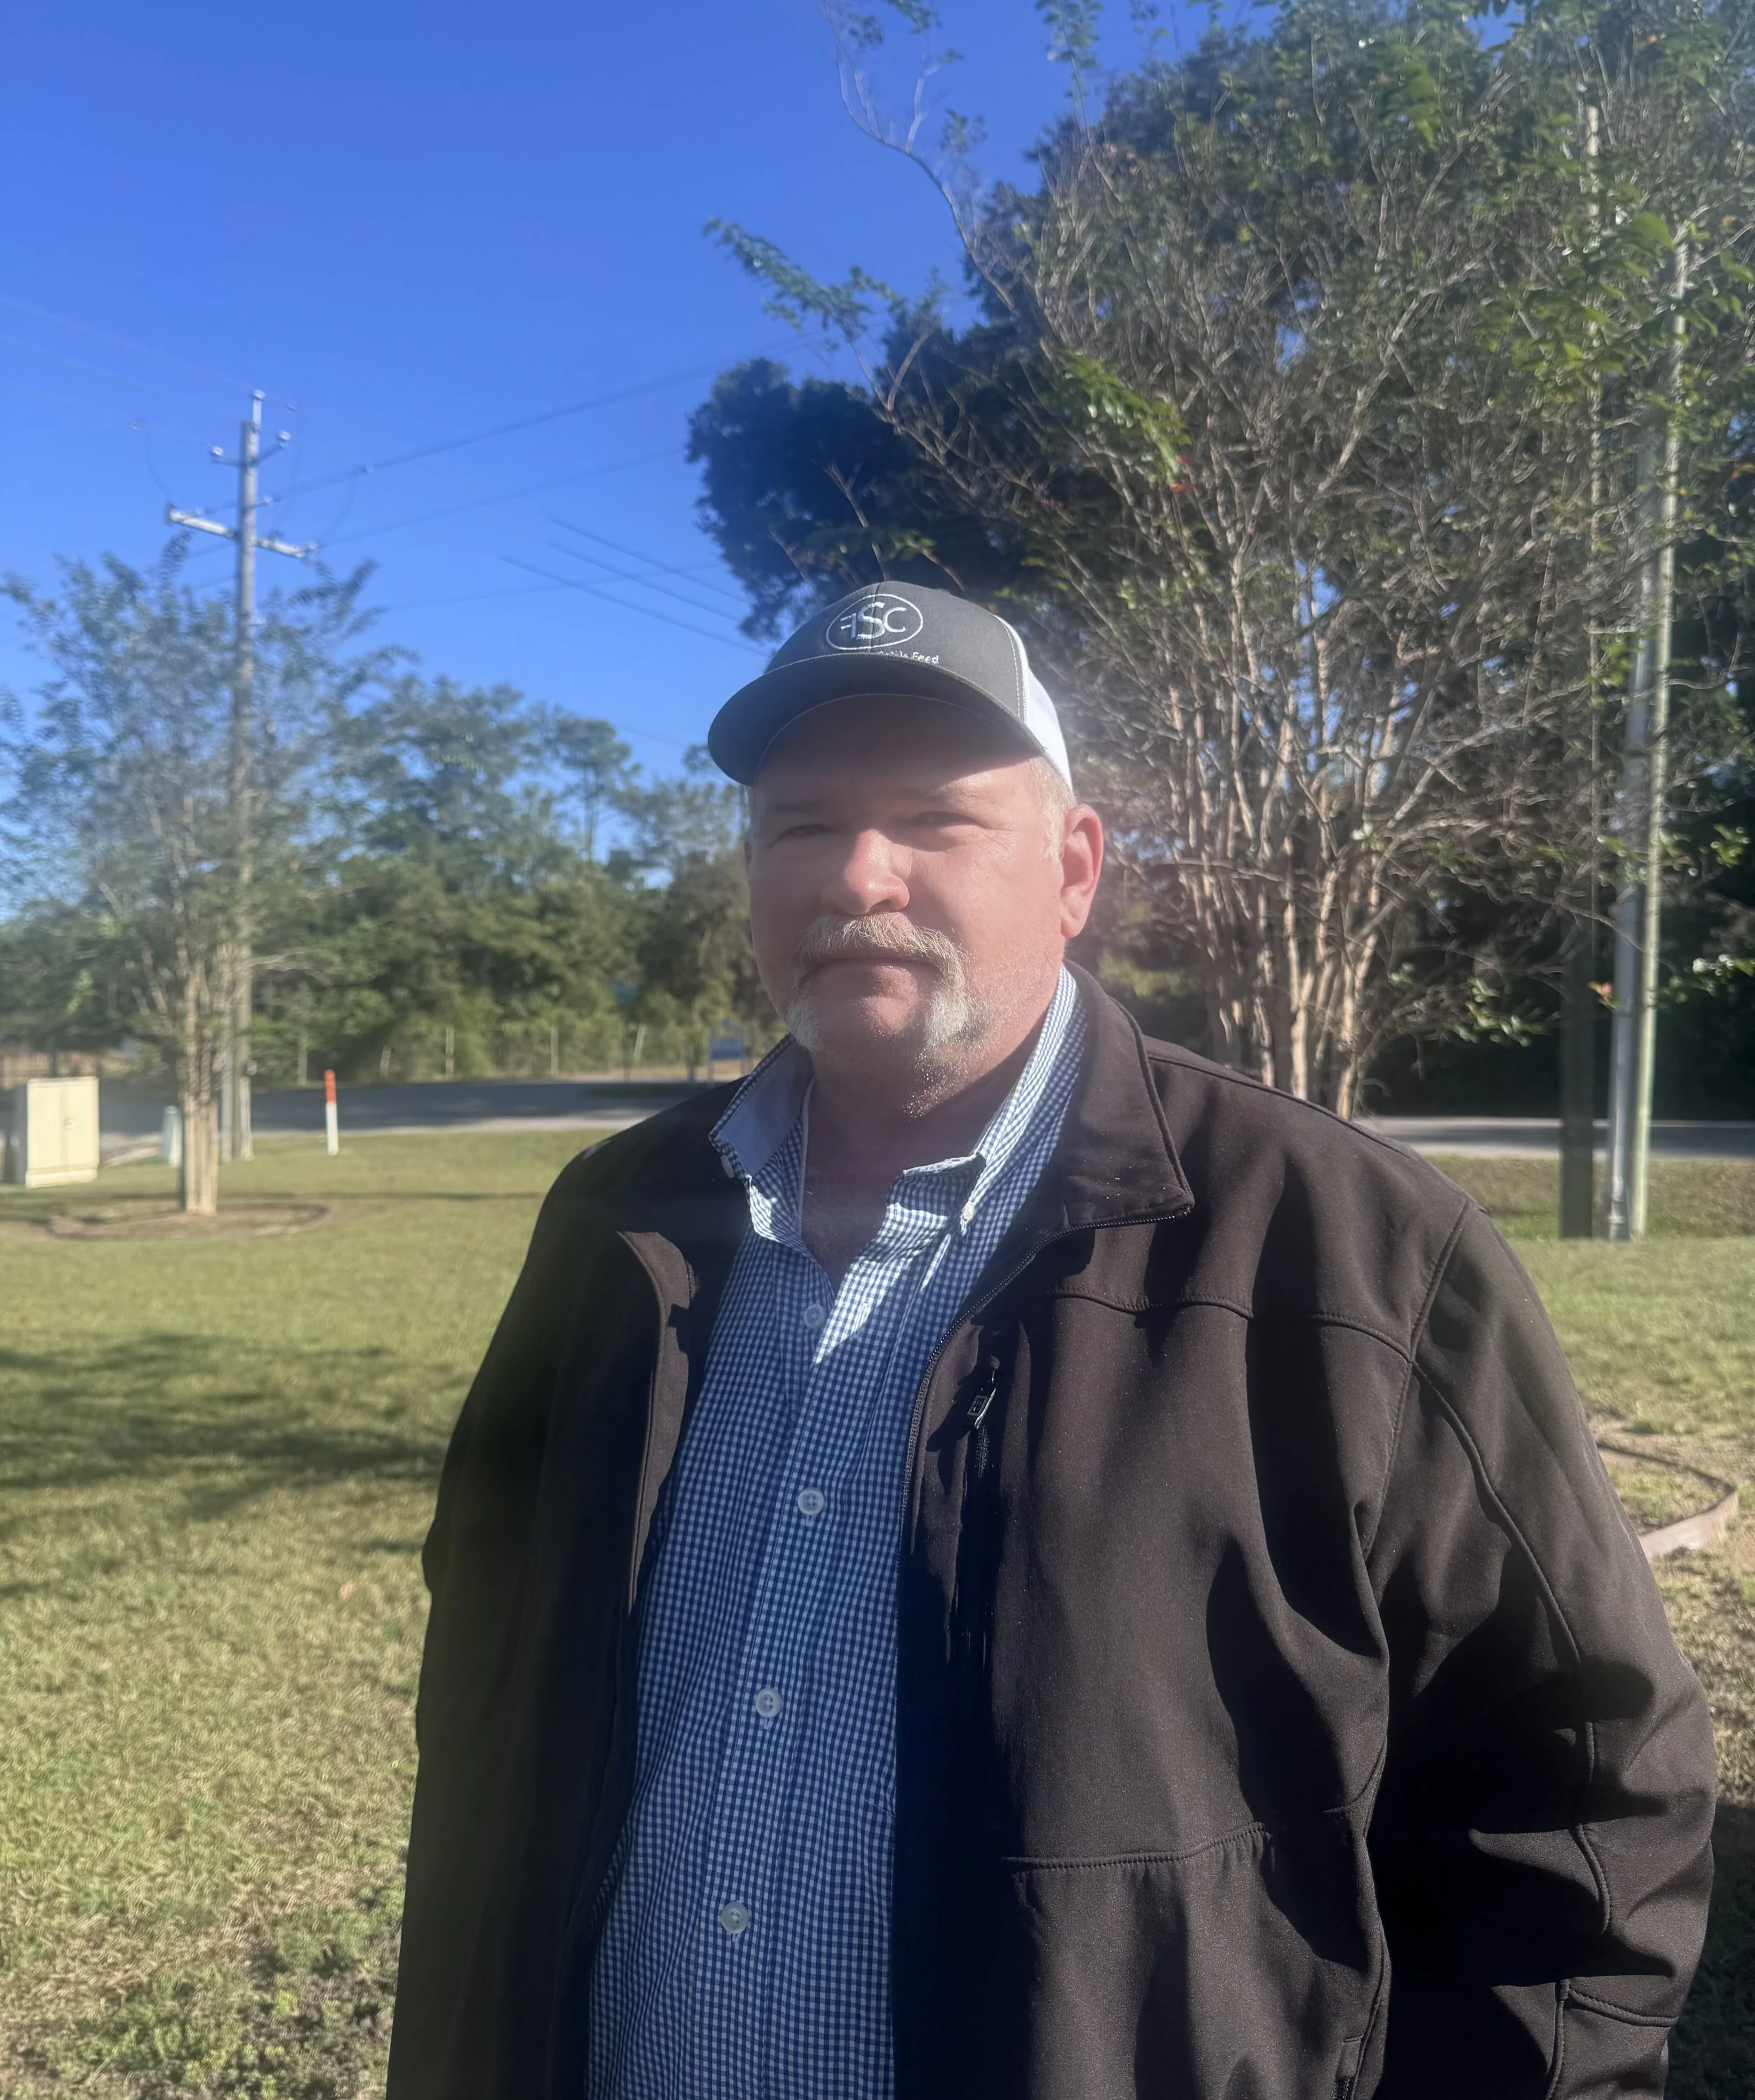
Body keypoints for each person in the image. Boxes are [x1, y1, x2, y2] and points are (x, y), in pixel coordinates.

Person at [388, 582, 1715, 2100]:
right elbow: (487, 1704)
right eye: (800, 825)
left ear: (1073, 867)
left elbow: (1587, 1783)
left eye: (933, 821)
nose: (854, 877)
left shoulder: (1350, 1251)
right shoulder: (611, 1225)